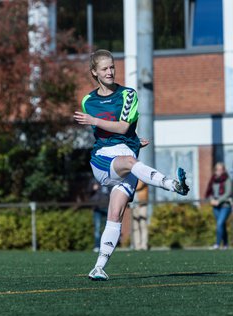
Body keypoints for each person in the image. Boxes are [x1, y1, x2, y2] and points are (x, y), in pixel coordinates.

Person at [74, 49, 190, 281]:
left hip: (128, 158)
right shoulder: (88, 101)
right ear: (94, 72)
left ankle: (98, 268)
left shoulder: (128, 95)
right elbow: (109, 133)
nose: (110, 72)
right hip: (104, 159)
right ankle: (173, 185)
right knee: (130, 161)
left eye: (112, 67)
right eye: (104, 68)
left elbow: (124, 128)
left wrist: (134, 141)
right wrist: (129, 140)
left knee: (116, 214)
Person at [205, 162, 232, 250]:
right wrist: (211, 199)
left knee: (219, 223)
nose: (219, 171)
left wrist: (218, 201)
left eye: (221, 169)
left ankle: (217, 244)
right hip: (215, 206)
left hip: (225, 205)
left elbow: (228, 193)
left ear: (224, 170)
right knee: (222, 225)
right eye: (217, 169)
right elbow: (210, 192)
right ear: (215, 170)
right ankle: (225, 244)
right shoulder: (213, 179)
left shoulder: (227, 179)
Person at [89, 179, 110, 252]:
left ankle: (106, 246)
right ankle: (97, 246)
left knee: (107, 228)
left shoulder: (109, 180)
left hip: (107, 207)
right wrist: (92, 188)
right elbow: (88, 191)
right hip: (97, 208)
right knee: (97, 228)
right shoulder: (93, 180)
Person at [131, 180, 149, 250]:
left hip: (142, 203)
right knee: (135, 226)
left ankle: (144, 245)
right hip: (134, 204)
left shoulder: (141, 175)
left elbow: (139, 186)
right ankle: (137, 245)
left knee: (143, 224)